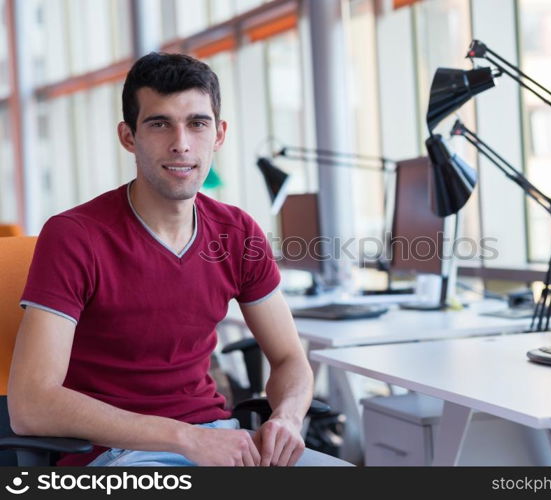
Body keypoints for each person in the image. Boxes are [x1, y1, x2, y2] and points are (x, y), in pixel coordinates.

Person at [8, 53, 342, 467]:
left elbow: (291, 359)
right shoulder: (75, 236)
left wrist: (288, 419)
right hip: (118, 455)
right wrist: (185, 439)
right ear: (129, 136)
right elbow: (30, 405)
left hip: (221, 442)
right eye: (159, 123)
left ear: (219, 134)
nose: (181, 143)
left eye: (197, 123)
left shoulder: (237, 233)